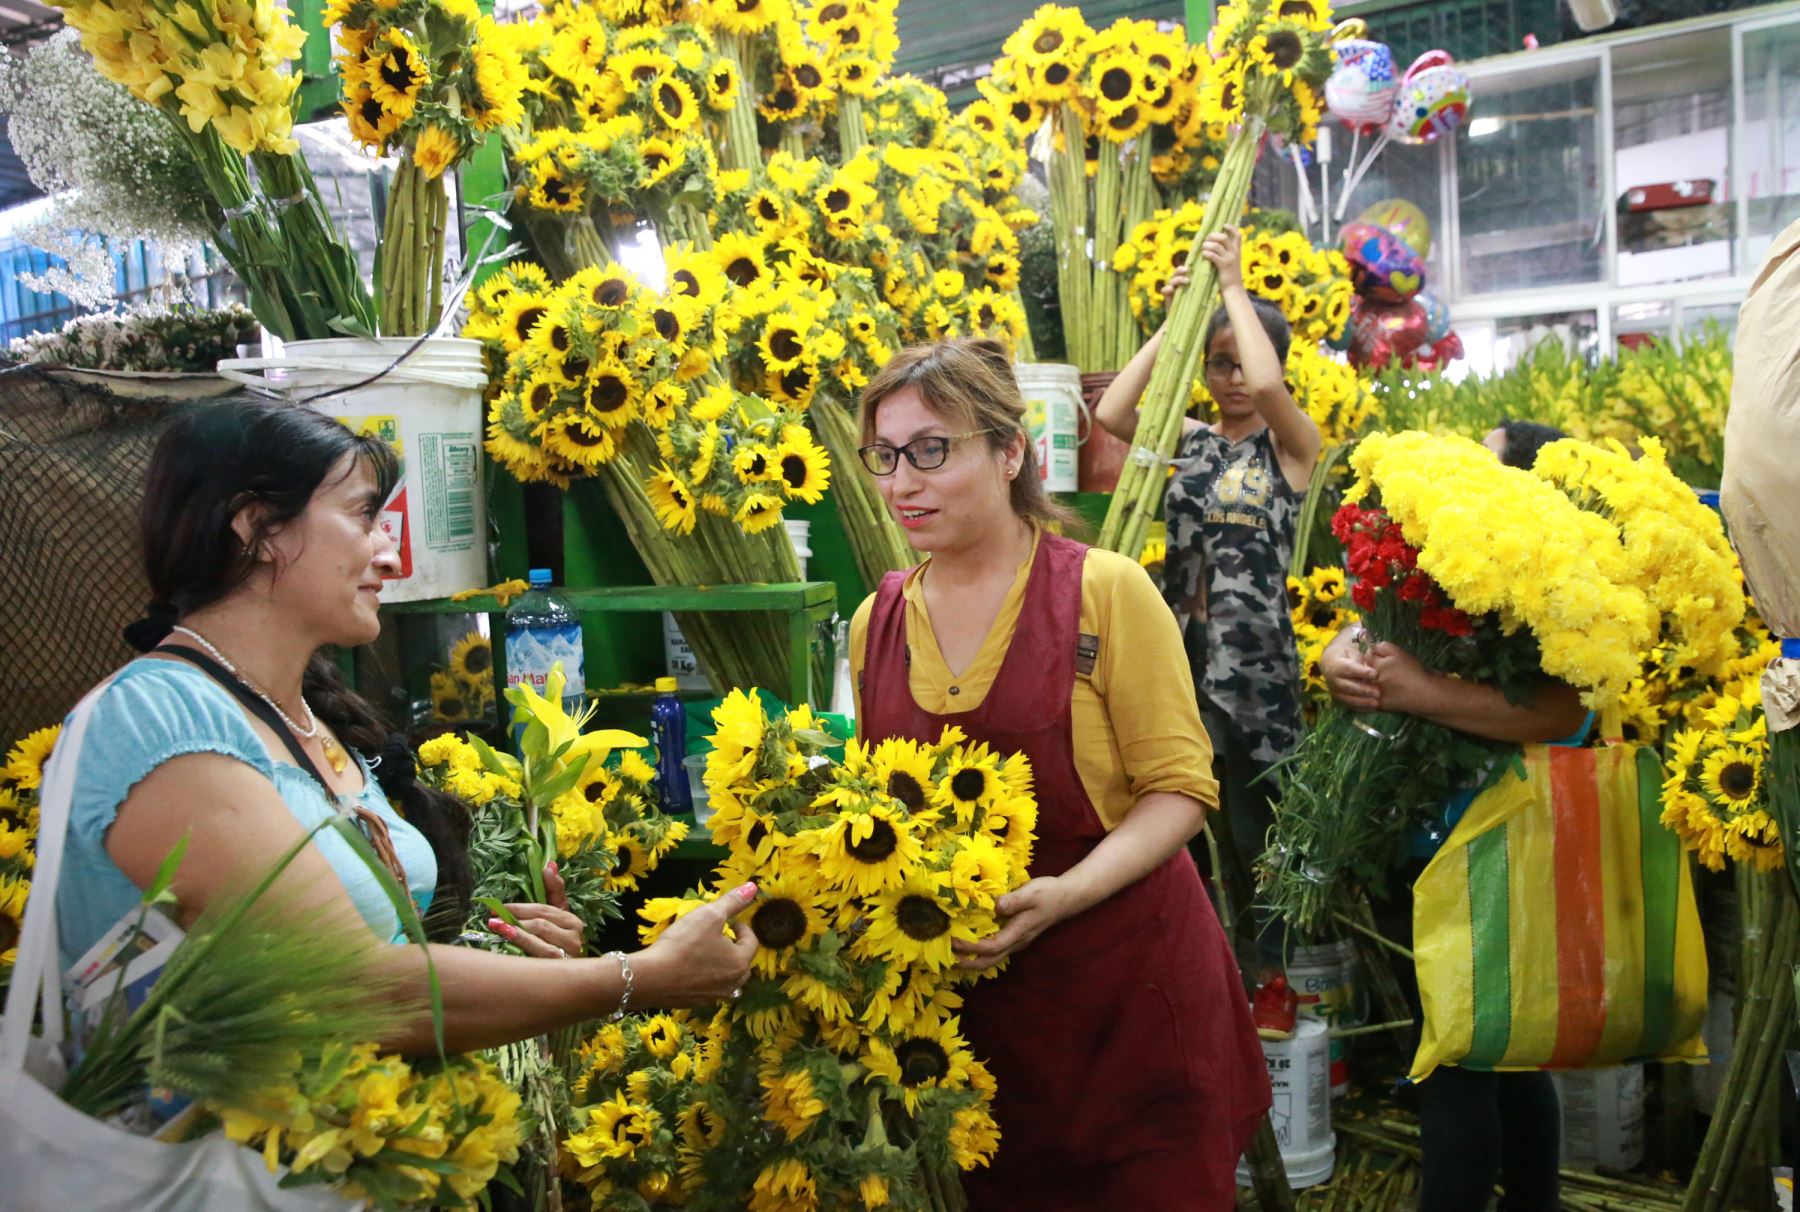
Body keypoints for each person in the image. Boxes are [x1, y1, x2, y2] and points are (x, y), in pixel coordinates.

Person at [54, 397, 757, 1056]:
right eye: (364, 517)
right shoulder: (157, 716)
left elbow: (385, 952)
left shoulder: (305, 719)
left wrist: (508, 954)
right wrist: (633, 980)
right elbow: (358, 987)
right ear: (256, 527)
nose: (390, 555)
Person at [848, 338, 1269, 1210]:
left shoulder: (1103, 592)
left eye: (933, 450)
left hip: (1131, 1001)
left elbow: (1180, 791)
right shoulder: (875, 622)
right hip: (984, 1028)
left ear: (1012, 453)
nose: (903, 483)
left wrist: (1065, 895)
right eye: (884, 457)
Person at [1317, 419, 1583, 1212]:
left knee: (1455, 1061)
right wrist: (1338, 656)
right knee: (1501, 1054)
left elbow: (1566, 713)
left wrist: (1420, 693)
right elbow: (1372, 623)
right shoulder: (1455, 562)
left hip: (1498, 843)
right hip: (1429, 840)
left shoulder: (1555, 582)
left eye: (1486, 458)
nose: (1466, 468)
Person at [1094, 225, 1322, 978]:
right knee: (1181, 832)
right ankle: (1201, 974)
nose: (1230, 378)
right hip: (1181, 667)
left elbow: (1264, 391)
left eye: (1239, 360)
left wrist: (1230, 284)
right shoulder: (1188, 443)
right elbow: (1111, 415)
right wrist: (1174, 324)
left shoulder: (1291, 447)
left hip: (1256, 676)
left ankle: (1274, 982)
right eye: (1214, 363)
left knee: (1261, 836)